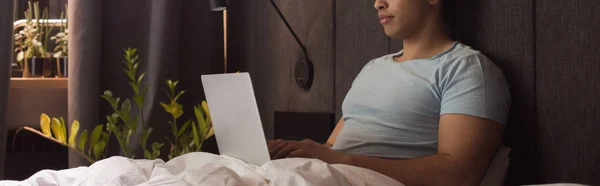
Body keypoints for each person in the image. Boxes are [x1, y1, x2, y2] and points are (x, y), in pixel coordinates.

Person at [268, 0, 511, 185]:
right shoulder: (372, 68)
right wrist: (297, 150)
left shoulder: (466, 69)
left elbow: (458, 173)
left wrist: (338, 161)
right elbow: (332, 148)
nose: (377, 3)